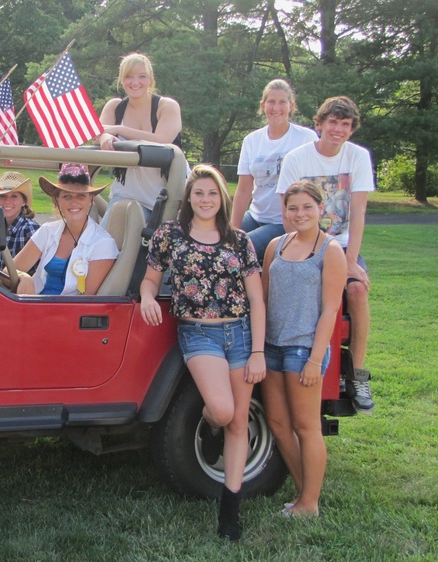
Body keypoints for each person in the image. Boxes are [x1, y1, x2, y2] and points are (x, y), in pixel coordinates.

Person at [139, 164, 266, 541]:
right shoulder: (170, 234)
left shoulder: (239, 240)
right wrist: (147, 295)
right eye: (199, 193)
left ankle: (230, 510)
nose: (206, 200)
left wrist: (258, 351)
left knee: (239, 422)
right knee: (223, 411)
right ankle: (210, 426)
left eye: (213, 194)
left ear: (222, 198)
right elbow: (150, 278)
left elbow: (256, 299)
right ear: (189, 197)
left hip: (240, 332)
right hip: (199, 334)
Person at [277, 96, 375, 414]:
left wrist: (349, 261)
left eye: (345, 124)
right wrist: (301, 253)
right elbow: (287, 212)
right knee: (248, 255)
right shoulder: (297, 157)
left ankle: (357, 374)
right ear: (319, 124)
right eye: (333, 122)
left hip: (342, 243)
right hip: (302, 236)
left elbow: (358, 212)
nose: (338, 129)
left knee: (358, 290)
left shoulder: (358, 157)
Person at [261, 180, 346, 517]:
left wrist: (314, 359)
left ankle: (309, 503)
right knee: (279, 424)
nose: (300, 214)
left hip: (303, 349)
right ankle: (303, 494)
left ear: (320, 209)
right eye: (293, 208)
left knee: (306, 426)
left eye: (307, 207)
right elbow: (264, 299)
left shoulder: (330, 250)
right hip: (271, 347)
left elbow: (330, 310)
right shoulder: (275, 246)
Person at [231, 79, 318, 261]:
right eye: (271, 102)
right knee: (219, 242)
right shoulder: (251, 140)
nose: (276, 108)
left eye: (282, 102)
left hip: (283, 221)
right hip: (256, 215)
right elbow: (244, 189)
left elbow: (314, 187)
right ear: (263, 105)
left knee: (242, 248)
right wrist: (233, 227)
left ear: (291, 105)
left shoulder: (306, 138)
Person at [96, 52, 183, 223]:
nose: (135, 82)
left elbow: (161, 141)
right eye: (129, 76)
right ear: (121, 80)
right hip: (127, 191)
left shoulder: (166, 105)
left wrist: (120, 129)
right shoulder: (114, 106)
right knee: (105, 242)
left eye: (141, 76)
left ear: (150, 79)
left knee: (163, 246)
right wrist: (104, 136)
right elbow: (99, 131)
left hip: (168, 195)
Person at [13, 163, 118, 296]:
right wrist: (23, 277)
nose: (74, 202)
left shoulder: (103, 243)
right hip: (35, 304)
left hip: (69, 314)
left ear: (90, 200)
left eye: (81, 196)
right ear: (57, 200)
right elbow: (8, 272)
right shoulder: (47, 231)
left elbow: (86, 300)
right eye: (67, 196)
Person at [0, 171, 40, 274]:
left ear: (23, 202)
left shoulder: (31, 230)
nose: (7, 201)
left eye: (14, 196)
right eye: (3, 196)